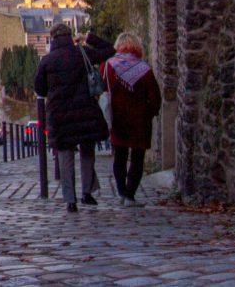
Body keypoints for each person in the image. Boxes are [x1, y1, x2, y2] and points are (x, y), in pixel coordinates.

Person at [34, 23, 114, 213]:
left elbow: (39, 89)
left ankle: (70, 200)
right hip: (84, 111)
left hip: (60, 115)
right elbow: (110, 50)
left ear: (52, 39)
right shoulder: (82, 53)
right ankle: (87, 191)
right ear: (70, 37)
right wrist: (88, 37)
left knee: (65, 156)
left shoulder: (47, 61)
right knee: (87, 152)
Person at [103, 32, 162, 207]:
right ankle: (130, 195)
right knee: (137, 158)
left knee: (119, 157)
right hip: (140, 120)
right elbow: (155, 96)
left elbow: (100, 88)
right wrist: (150, 112)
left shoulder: (109, 66)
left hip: (117, 118)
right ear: (137, 47)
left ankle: (121, 192)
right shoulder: (144, 69)